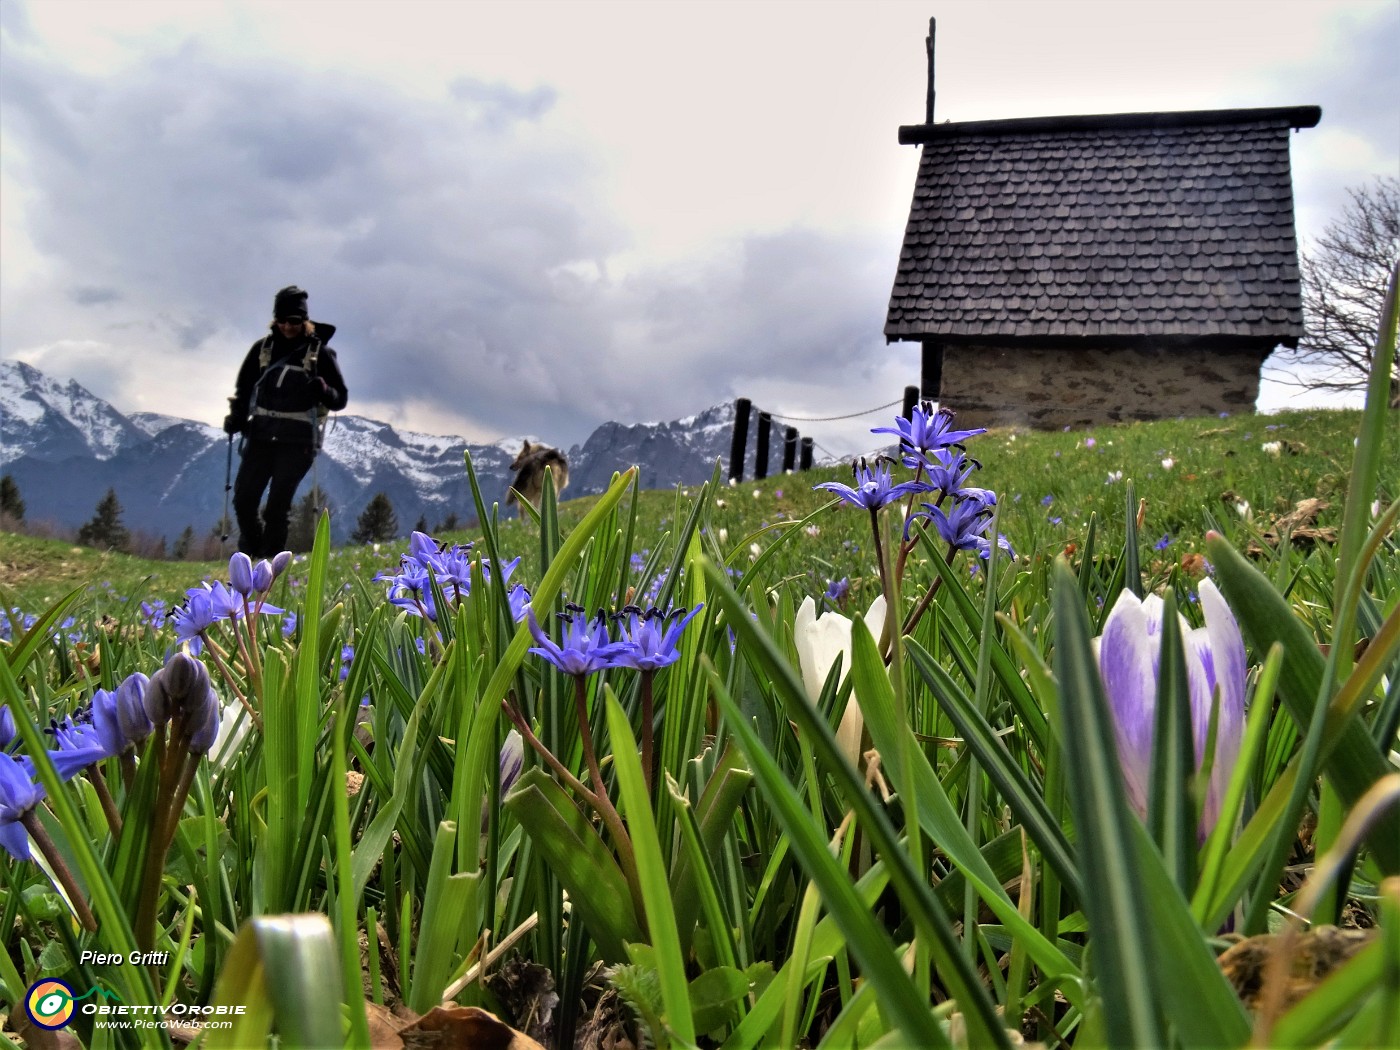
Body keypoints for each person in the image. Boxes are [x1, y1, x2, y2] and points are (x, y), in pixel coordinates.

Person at [223, 286, 348, 557]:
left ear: (304, 321)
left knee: (276, 506)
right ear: (274, 320)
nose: (287, 327)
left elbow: (340, 399)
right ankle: (250, 554)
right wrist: (237, 418)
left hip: (298, 440)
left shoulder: (320, 354)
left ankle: (269, 560)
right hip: (260, 434)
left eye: (293, 321)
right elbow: (244, 389)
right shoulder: (262, 349)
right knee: (244, 499)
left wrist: (324, 390)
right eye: (282, 321)